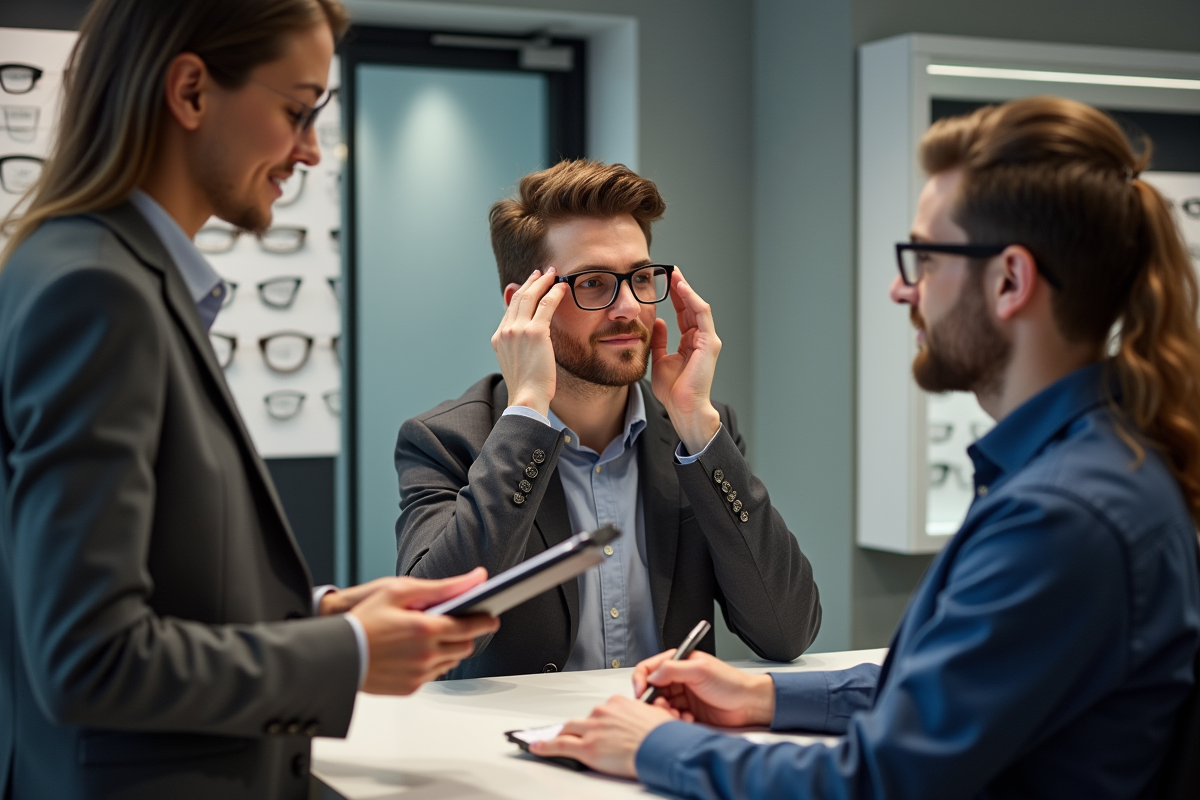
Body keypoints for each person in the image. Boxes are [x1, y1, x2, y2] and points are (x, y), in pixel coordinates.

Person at [531, 97, 1200, 799]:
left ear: (1009, 281)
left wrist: (659, 746)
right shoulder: (1086, 470)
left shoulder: (1066, 514)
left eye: (924, 259)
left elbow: (880, 782)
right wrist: (765, 697)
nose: (899, 289)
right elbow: (951, 685)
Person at [0, 2, 498, 798]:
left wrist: (323, 610)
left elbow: (152, 575)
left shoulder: (96, 270)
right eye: (298, 111)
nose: (308, 151)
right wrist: (351, 654)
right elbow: (88, 656)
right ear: (191, 90)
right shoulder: (97, 291)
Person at [394, 160, 822, 679]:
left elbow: (787, 632)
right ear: (524, 307)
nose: (629, 307)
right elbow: (440, 636)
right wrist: (528, 410)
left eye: (641, 277)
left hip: (664, 739)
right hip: (515, 749)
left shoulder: (699, 432)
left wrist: (696, 425)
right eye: (594, 283)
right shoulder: (445, 442)